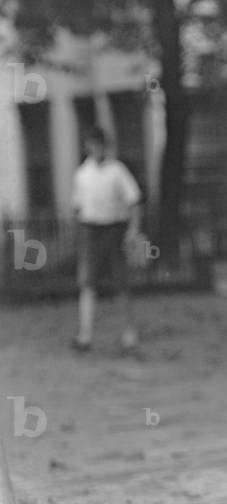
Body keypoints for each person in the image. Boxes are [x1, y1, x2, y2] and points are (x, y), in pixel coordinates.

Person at [70, 126, 143, 352]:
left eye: (100, 144)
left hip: (113, 230)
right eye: (92, 144)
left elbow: (134, 201)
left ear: (106, 146)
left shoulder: (117, 171)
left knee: (120, 283)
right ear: (87, 147)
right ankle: (85, 335)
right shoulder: (82, 174)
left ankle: (129, 333)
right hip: (91, 231)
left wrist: (133, 230)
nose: (96, 149)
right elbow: (77, 208)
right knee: (87, 283)